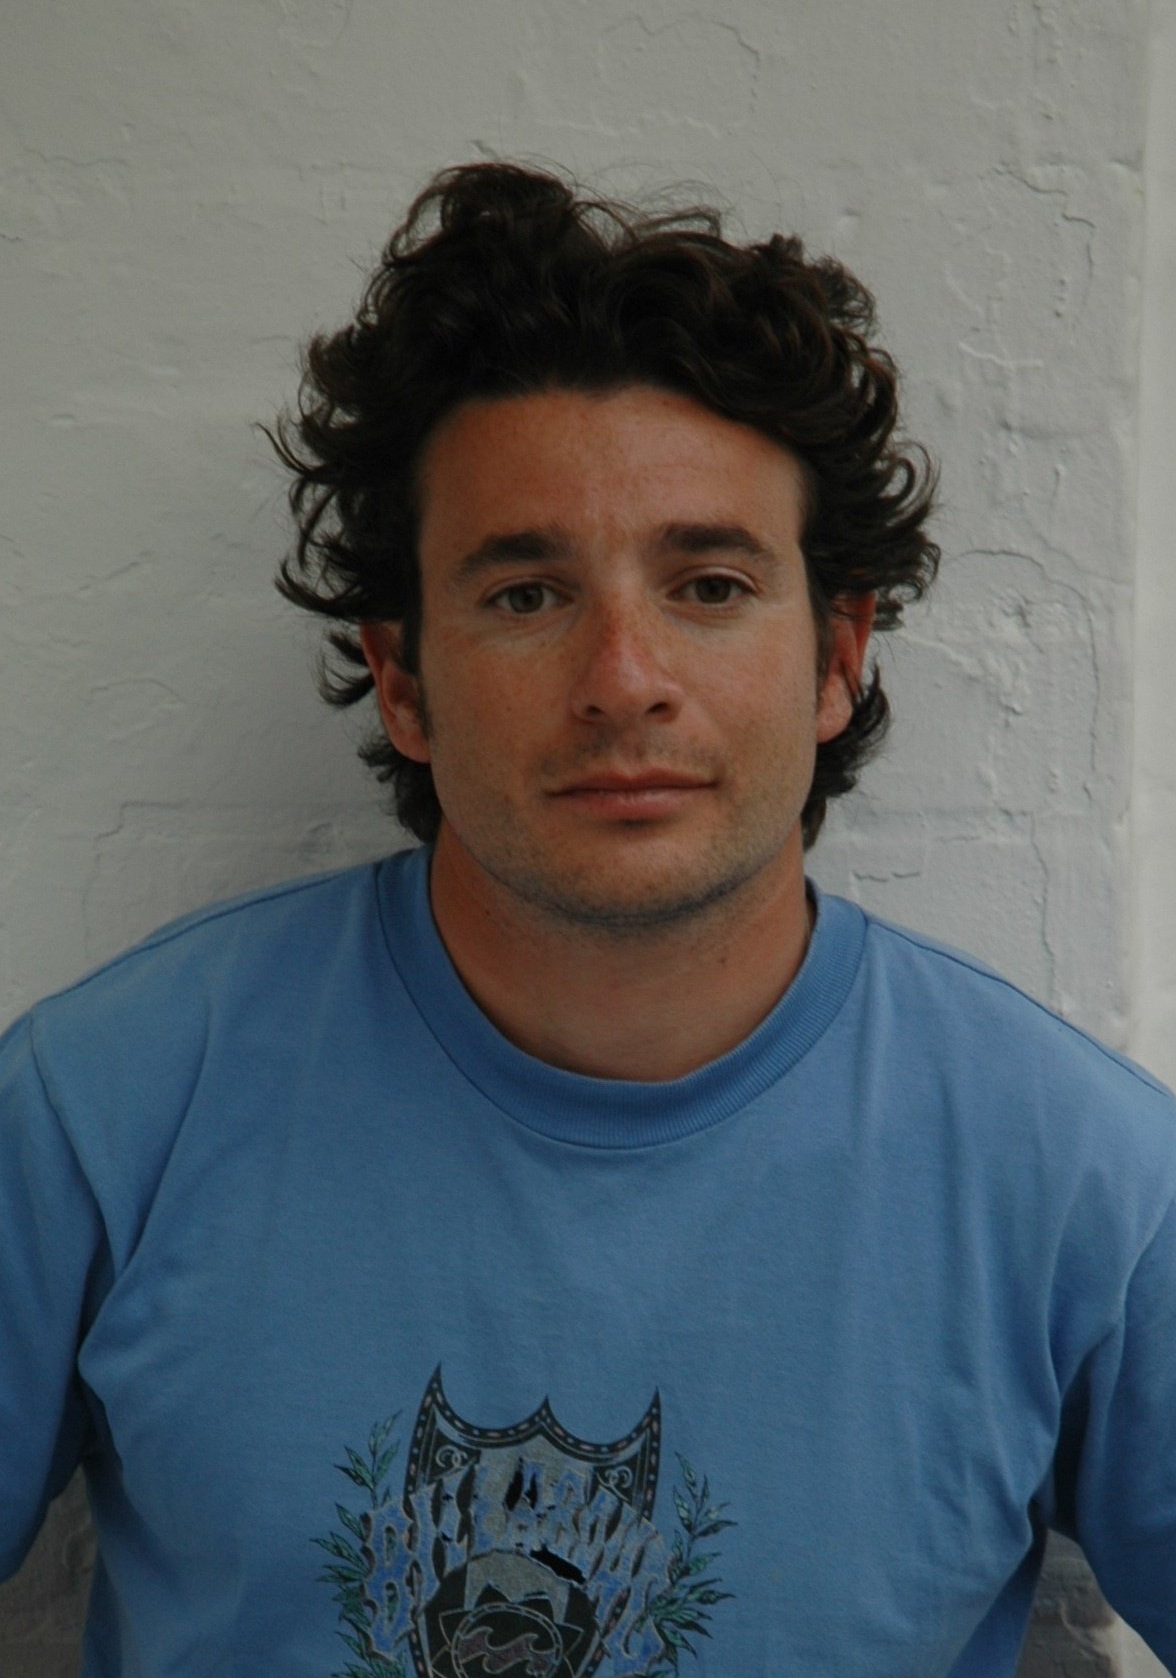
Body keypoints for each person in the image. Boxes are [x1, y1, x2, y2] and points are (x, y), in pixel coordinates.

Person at [2, 160, 1174, 1678]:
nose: (624, 679)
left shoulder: (1083, 1182)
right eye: (526, 595)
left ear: (838, 658)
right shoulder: (102, 1111)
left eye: (709, 584)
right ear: (404, 678)